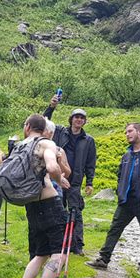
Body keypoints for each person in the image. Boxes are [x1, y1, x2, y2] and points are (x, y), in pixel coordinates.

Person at [89, 123, 140, 271]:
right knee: (114, 229)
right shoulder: (127, 155)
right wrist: (120, 190)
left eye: (130, 131)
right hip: (126, 201)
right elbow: (120, 175)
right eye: (126, 132)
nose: (127, 134)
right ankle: (103, 259)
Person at [13, 113, 71, 278]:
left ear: (27, 127)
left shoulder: (21, 146)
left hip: (31, 205)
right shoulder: (45, 143)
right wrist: (59, 180)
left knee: (40, 253)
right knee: (60, 253)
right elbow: (53, 166)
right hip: (49, 204)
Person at [44, 95, 96, 254]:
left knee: (75, 212)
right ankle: (57, 243)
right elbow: (45, 121)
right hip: (57, 179)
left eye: (82, 118)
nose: (79, 120)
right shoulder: (60, 132)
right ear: (71, 119)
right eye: (76, 117)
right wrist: (52, 106)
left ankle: (77, 245)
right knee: (57, 211)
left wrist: (90, 182)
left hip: (74, 182)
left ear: (84, 121)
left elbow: (90, 162)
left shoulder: (88, 140)